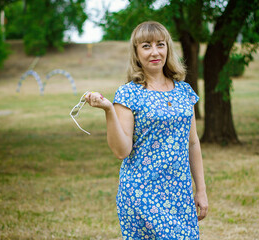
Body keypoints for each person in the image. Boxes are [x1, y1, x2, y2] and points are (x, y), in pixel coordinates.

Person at [85, 21, 208, 239]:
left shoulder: (185, 91)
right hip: (142, 194)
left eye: (160, 44)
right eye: (146, 46)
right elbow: (121, 151)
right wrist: (108, 110)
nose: (154, 52)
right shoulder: (128, 94)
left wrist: (201, 190)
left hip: (179, 194)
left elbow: (193, 143)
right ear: (136, 52)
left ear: (168, 48)